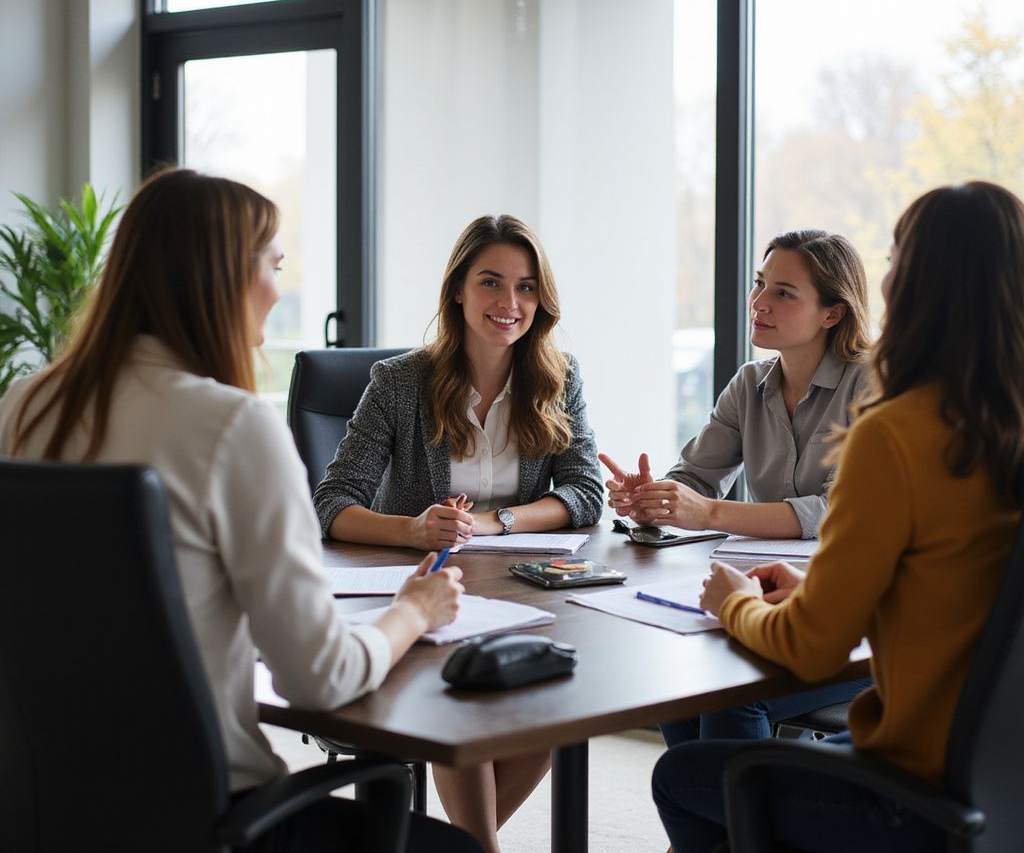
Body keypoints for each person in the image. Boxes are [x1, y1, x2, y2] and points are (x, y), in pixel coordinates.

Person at [0, 168, 480, 853]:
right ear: (219, 275)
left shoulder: (23, 404)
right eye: (273, 265)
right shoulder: (231, 427)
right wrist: (415, 610)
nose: (276, 291)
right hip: (204, 821)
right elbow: (321, 679)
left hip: (48, 813)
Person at [653, 181, 1024, 852]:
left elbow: (813, 648)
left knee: (681, 776)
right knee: (703, 725)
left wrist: (737, 603)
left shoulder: (896, 430)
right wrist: (827, 594)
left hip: (911, 791)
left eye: (894, 258)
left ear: (916, 283)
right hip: (1001, 783)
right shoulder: (1002, 423)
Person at [314, 213, 604, 853]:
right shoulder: (399, 383)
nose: (510, 303)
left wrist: (497, 521)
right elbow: (333, 502)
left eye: (527, 287)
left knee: (558, 694)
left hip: (527, 591)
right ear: (457, 291)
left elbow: (585, 495)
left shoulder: (560, 376)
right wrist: (414, 527)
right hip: (427, 592)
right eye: (491, 283)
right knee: (463, 696)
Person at [602, 228, 873, 744]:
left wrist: (708, 513)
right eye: (759, 284)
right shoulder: (748, 384)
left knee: (732, 697)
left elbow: (835, 510)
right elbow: (694, 480)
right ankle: (727, 819)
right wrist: (651, 500)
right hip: (770, 592)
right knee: (678, 690)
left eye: (783, 293)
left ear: (832, 313)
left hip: (853, 619)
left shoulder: (870, 384)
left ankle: (746, 822)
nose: (758, 302)